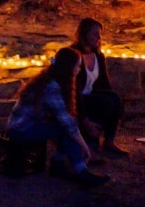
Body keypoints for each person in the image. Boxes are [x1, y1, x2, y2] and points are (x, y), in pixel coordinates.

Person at [6, 46, 110, 189]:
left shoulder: (49, 79)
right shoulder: (51, 86)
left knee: (63, 125)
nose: (79, 70)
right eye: (78, 66)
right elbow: (68, 123)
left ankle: (59, 164)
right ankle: (80, 171)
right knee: (65, 128)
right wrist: (84, 146)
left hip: (24, 125)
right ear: (69, 67)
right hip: (20, 131)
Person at [71, 17, 129, 157]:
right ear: (84, 34)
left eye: (99, 34)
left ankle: (109, 140)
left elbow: (104, 83)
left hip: (91, 94)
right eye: (94, 33)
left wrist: (117, 108)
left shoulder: (98, 56)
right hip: (76, 97)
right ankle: (91, 143)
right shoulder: (74, 55)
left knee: (113, 98)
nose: (98, 37)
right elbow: (74, 89)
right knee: (101, 103)